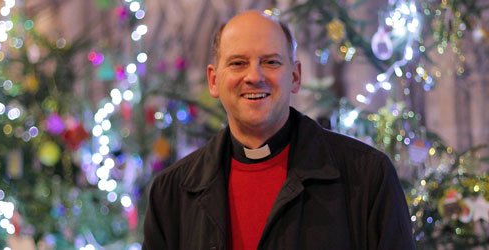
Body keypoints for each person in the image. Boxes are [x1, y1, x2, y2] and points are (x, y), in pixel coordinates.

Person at [142, 9, 415, 250]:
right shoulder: (172, 193)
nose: (254, 77)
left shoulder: (367, 176)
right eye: (238, 63)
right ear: (214, 80)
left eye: (271, 62)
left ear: (295, 77)